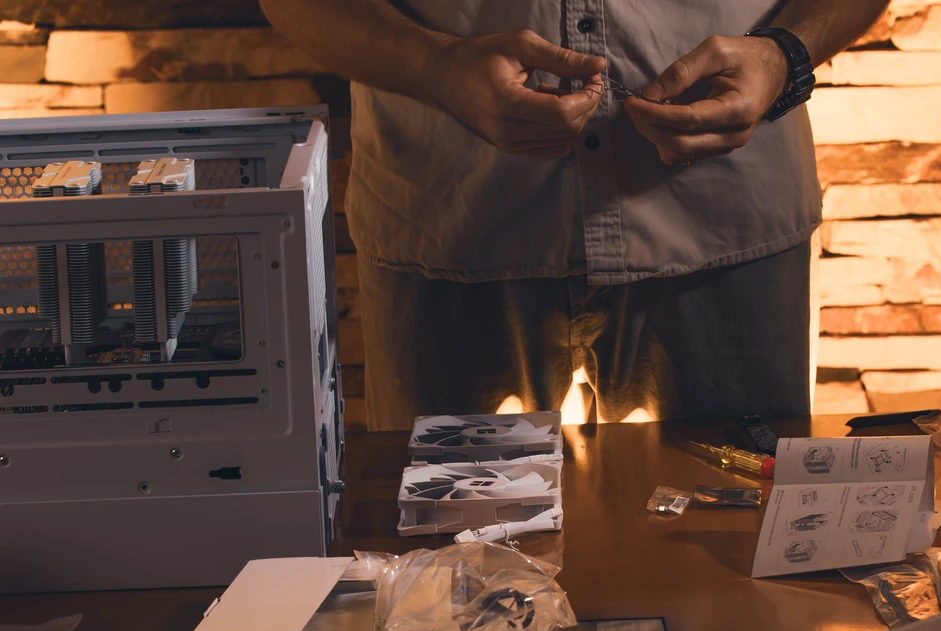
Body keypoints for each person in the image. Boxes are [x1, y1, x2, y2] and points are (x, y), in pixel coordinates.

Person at [261, 0, 889, 430]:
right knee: (442, 573)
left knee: (743, 556)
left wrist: (783, 55)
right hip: (450, 223)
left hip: (725, 226)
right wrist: (436, 66)